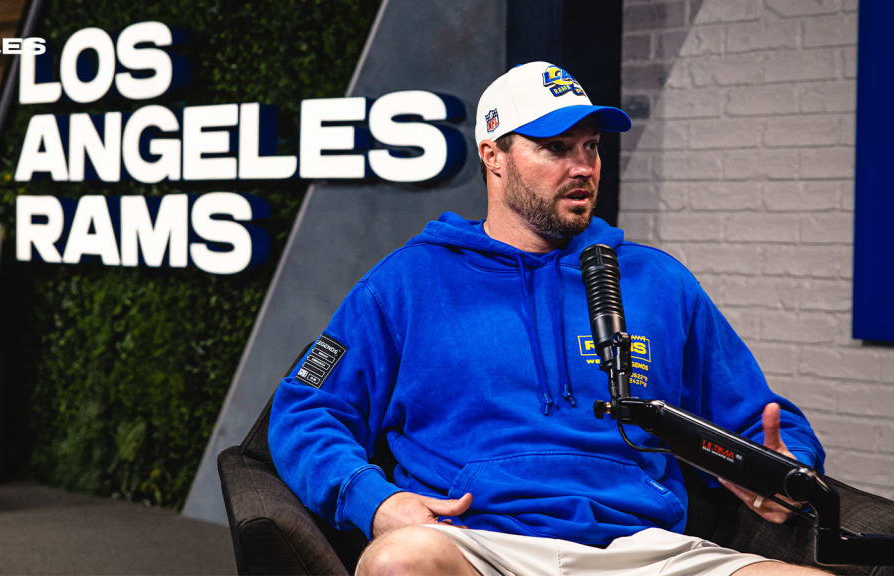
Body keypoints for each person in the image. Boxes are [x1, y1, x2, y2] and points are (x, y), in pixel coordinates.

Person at [268, 61, 829, 576]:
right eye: (555, 147)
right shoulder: (407, 282)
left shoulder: (659, 281)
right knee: (399, 561)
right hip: (475, 540)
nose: (582, 166)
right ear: (493, 155)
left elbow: (760, 421)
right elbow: (307, 408)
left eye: (591, 146)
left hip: (645, 548)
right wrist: (376, 501)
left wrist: (783, 471)